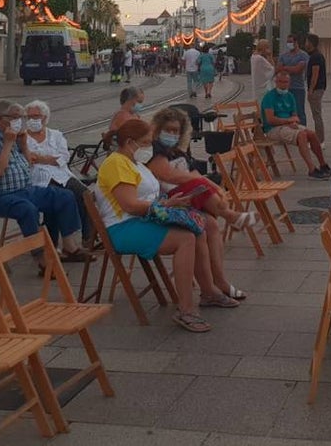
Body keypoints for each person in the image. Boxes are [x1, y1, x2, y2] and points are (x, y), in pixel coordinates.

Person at [94, 119, 238, 333]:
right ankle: (186, 309)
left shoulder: (133, 161)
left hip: (142, 219)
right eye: (145, 142)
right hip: (123, 227)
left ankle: (208, 291)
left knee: (197, 228)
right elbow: (130, 205)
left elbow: (146, 197)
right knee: (185, 238)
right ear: (130, 141)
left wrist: (171, 202)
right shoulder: (116, 164)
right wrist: (166, 204)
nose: (149, 147)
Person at [147, 108, 255, 299]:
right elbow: (168, 175)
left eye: (176, 131)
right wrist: (205, 182)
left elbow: (188, 174)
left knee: (211, 224)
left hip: (184, 201)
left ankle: (219, 281)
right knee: (199, 183)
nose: (172, 134)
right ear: (158, 129)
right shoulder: (155, 150)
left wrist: (205, 182)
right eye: (168, 130)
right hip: (166, 205)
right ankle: (231, 216)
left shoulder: (176, 151)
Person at [0, 100, 89, 274]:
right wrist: (8, 143)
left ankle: (70, 247)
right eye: (16, 118)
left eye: (21, 118)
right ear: (0, 119)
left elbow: (28, 165)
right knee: (27, 209)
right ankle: (41, 259)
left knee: (64, 196)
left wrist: (23, 144)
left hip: (24, 190)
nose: (21, 122)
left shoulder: (16, 136)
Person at [23, 100, 92, 244]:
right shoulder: (22, 138)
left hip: (61, 175)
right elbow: (27, 159)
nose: (32, 120)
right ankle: (56, 243)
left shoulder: (55, 135)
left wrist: (40, 158)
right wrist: (49, 159)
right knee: (57, 199)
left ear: (45, 117)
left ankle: (88, 237)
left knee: (84, 194)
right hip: (38, 178)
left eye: (36, 116)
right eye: (29, 117)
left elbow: (64, 157)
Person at [261, 70, 331, 179]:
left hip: (288, 125)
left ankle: (323, 164)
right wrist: (289, 121)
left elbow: (295, 116)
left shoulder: (290, 96)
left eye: (286, 82)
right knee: (301, 135)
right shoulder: (269, 97)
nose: (283, 84)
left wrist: (293, 122)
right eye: (281, 82)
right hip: (273, 129)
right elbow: (270, 120)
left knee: (312, 134)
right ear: (276, 82)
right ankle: (312, 169)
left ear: (289, 82)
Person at [278, 34, 311, 127]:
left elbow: (298, 69)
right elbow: (279, 69)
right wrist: (289, 68)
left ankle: (303, 130)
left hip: (298, 88)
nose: (289, 44)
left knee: (299, 111)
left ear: (296, 42)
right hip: (285, 89)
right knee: (285, 112)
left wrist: (285, 68)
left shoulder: (303, 55)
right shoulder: (283, 55)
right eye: (288, 42)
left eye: (291, 42)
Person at [305, 34, 328, 144]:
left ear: (310, 43)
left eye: (306, 42)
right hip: (319, 88)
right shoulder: (317, 55)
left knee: (317, 115)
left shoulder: (315, 57)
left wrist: (310, 90)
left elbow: (315, 74)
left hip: (316, 89)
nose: (305, 44)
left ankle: (320, 139)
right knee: (316, 114)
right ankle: (320, 138)